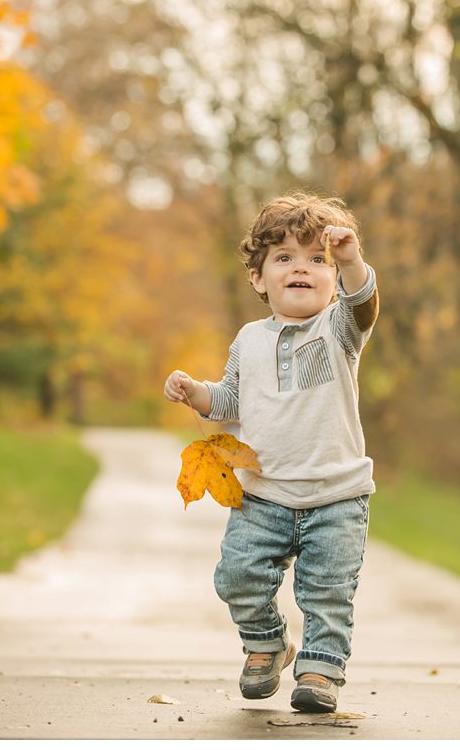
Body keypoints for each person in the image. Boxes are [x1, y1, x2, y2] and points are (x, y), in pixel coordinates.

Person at [163, 193, 380, 713]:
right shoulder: (249, 339)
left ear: (331, 279)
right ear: (259, 278)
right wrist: (196, 392)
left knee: (327, 592)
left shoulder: (339, 329)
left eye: (316, 259)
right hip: (263, 493)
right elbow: (232, 400)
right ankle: (267, 645)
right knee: (237, 575)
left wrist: (350, 260)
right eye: (284, 257)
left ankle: (320, 672)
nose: (301, 268)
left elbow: (363, 303)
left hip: (336, 494)